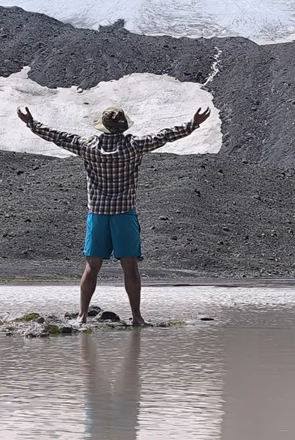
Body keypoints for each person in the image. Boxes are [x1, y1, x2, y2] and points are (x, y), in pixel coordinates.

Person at [16, 102, 211, 326]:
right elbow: (163, 136)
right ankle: (137, 317)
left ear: (104, 127)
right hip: (124, 213)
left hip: (98, 213)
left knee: (92, 265)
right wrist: (193, 124)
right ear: (123, 126)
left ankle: (81, 316)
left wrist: (31, 123)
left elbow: (58, 136)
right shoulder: (134, 146)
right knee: (130, 266)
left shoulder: (87, 146)